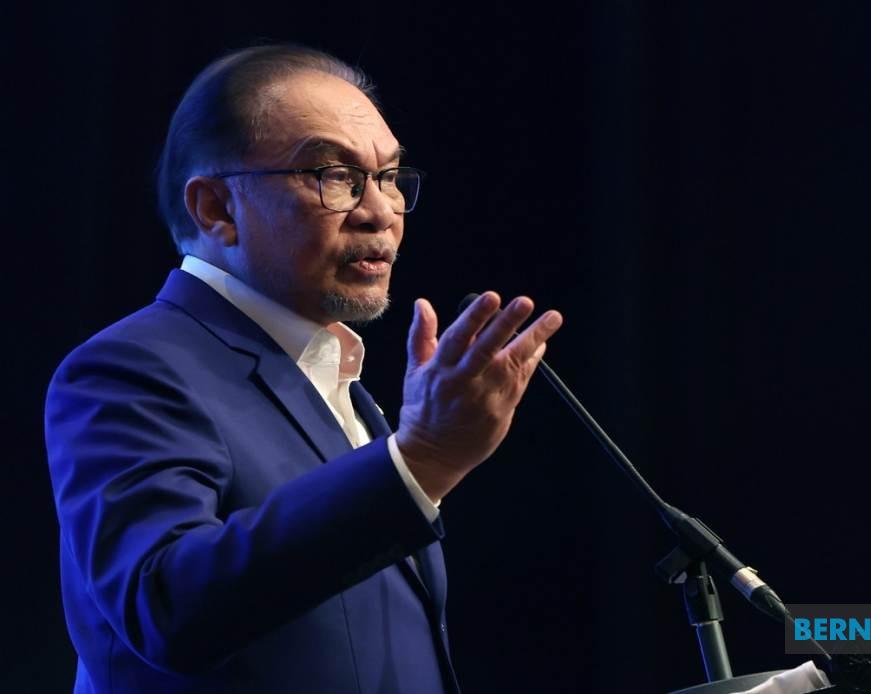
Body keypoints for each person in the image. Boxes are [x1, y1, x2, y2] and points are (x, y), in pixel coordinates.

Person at [43, 44, 562, 694]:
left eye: (389, 176)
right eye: (334, 174)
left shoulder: (336, 377)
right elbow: (164, 605)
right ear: (217, 210)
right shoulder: (130, 368)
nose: (380, 211)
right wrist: (422, 460)